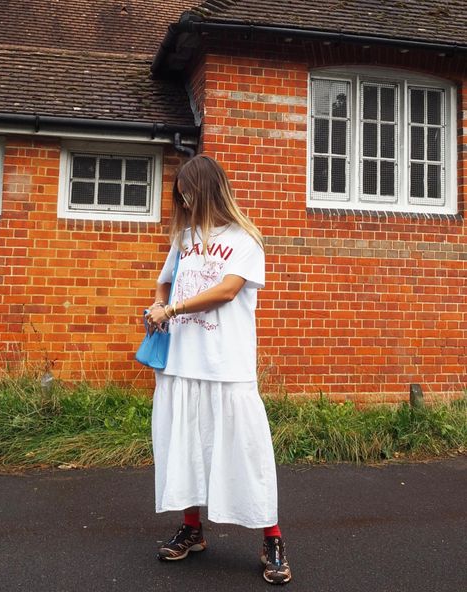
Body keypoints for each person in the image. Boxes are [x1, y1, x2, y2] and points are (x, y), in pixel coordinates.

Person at [147, 155, 292, 585]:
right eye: (180, 194)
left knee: (248, 454)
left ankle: (272, 538)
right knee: (186, 449)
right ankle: (192, 529)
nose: (184, 199)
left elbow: (228, 291)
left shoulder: (245, 238)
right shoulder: (184, 237)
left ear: (208, 189)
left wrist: (172, 307)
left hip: (227, 366)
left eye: (189, 192)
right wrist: (158, 303)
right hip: (182, 364)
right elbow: (165, 280)